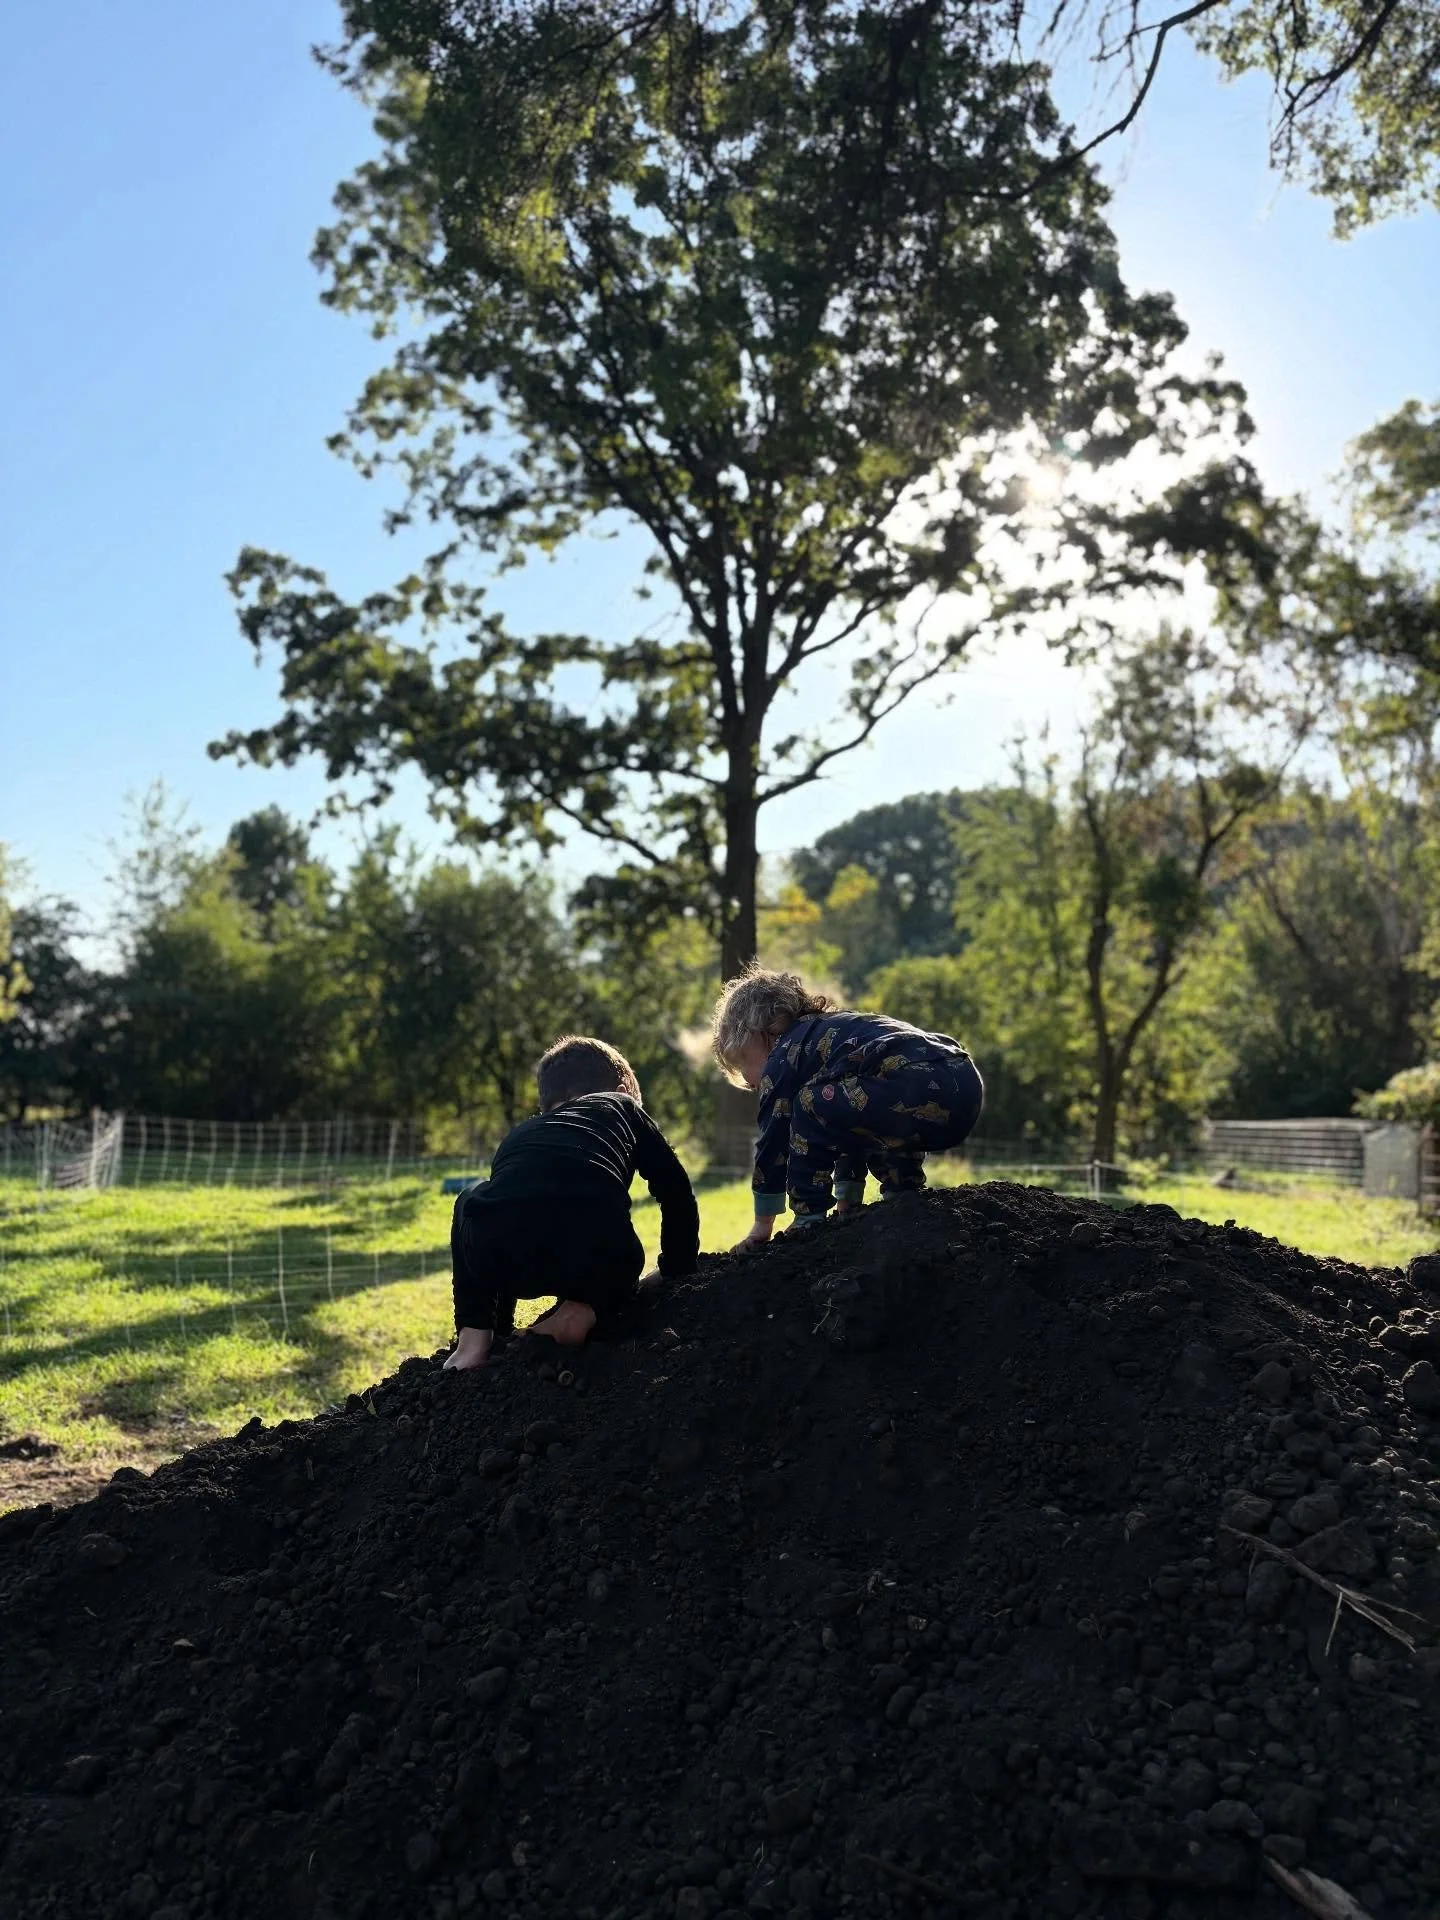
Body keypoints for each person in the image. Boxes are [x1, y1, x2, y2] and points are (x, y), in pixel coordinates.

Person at [443, 1035, 699, 1371]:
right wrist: (676, 1266)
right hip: (597, 1255)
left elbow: (514, 1209)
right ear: (624, 1091)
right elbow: (674, 1189)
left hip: (498, 1256)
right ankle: (581, 1312)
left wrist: (497, 1323)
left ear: (546, 1108)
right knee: (615, 1249)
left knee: (473, 1200)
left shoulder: (522, 1133)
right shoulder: (620, 1106)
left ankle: (475, 1339)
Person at [712, 965, 984, 1250]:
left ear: (759, 1033)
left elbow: (773, 1141)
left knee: (808, 1103)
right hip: (961, 1080)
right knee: (849, 1102)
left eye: (742, 1063)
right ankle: (902, 1193)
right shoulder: (835, 1033)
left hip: (911, 1078)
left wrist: (763, 1222)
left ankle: (809, 1217)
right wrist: (848, 1199)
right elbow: (847, 1123)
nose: (749, 1082)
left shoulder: (783, 1054)